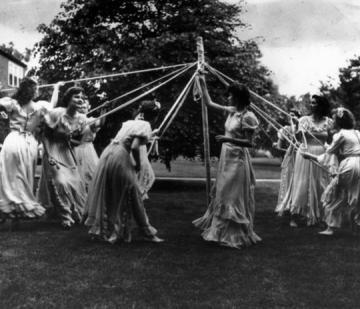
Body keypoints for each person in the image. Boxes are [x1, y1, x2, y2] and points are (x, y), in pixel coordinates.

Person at [192, 74, 261, 249]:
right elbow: (209, 104)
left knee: (232, 194)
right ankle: (219, 232)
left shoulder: (248, 117)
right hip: (227, 156)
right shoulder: (233, 111)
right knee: (223, 192)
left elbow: (250, 143)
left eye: (231, 95)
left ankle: (235, 234)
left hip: (237, 159)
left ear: (238, 97)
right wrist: (202, 84)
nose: (228, 97)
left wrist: (227, 139)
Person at [84, 100, 163, 244]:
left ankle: (108, 229)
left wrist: (151, 135)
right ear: (155, 116)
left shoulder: (130, 123)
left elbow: (129, 138)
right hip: (121, 157)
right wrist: (138, 165)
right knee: (131, 193)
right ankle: (143, 232)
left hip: (109, 154)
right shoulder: (145, 125)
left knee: (114, 193)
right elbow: (134, 147)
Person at [0, 78, 61, 223]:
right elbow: (53, 105)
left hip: (13, 140)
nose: (38, 91)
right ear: (32, 91)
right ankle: (20, 205)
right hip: (29, 143)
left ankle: (10, 205)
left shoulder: (13, 103)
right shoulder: (40, 106)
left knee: (9, 175)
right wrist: (56, 87)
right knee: (25, 175)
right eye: (36, 89)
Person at [276, 95, 334, 227]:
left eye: (315, 103)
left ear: (321, 105)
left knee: (321, 183)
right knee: (302, 183)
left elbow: (331, 141)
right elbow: (297, 138)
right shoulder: (304, 120)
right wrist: (296, 125)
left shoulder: (329, 122)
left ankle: (320, 216)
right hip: (305, 153)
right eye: (311, 103)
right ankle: (295, 215)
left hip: (321, 154)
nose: (311, 105)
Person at [37, 86, 90, 228]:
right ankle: (65, 216)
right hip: (53, 150)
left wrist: (70, 138)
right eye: (76, 97)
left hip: (67, 151)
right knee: (60, 182)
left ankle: (77, 212)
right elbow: (45, 136)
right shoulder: (56, 114)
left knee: (75, 182)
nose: (80, 100)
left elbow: (82, 138)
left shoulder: (81, 119)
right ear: (68, 99)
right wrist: (48, 155)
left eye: (81, 97)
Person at [301, 107, 360, 235]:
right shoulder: (357, 133)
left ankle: (330, 228)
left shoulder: (340, 134)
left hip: (350, 165)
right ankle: (356, 224)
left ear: (339, 121)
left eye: (333, 119)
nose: (332, 121)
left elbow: (328, 155)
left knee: (335, 193)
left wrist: (309, 156)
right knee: (356, 195)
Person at [274, 109, 301, 211]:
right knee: (289, 179)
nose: (292, 118)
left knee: (300, 180)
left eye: (294, 116)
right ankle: (288, 204)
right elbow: (279, 147)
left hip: (301, 158)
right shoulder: (285, 130)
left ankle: (299, 205)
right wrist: (289, 149)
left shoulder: (303, 129)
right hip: (290, 158)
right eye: (289, 116)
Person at [75, 98, 103, 191]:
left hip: (87, 149)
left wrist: (104, 110)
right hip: (74, 149)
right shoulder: (73, 120)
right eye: (80, 107)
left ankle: (89, 197)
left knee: (91, 174)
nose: (82, 109)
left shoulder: (90, 120)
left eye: (84, 107)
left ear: (88, 108)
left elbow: (100, 123)